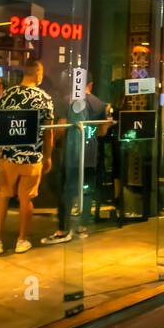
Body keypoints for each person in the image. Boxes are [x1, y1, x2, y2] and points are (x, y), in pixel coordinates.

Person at [0, 60, 54, 256]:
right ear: (38, 73)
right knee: (26, 199)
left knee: (3, 196)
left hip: (8, 156)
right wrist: (48, 157)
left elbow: (0, 125)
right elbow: (48, 132)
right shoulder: (44, 98)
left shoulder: (7, 95)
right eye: (41, 72)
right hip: (31, 158)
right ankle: (21, 240)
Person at [43, 77, 111, 245]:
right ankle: (82, 227)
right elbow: (102, 132)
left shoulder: (67, 101)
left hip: (71, 152)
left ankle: (64, 230)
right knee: (86, 189)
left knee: (68, 190)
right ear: (91, 84)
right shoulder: (99, 104)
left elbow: (60, 129)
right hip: (90, 152)